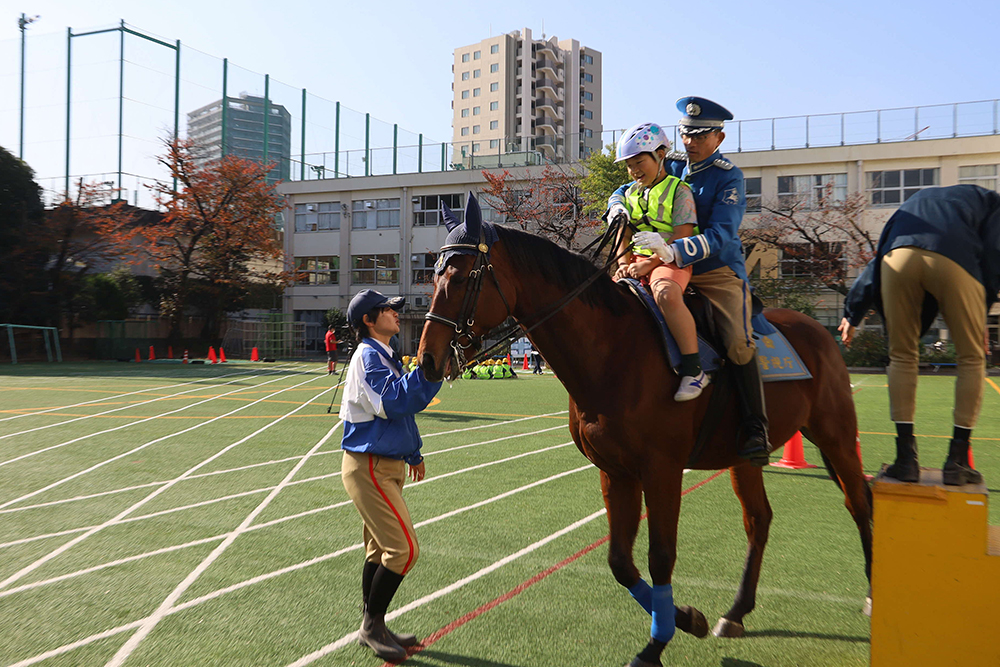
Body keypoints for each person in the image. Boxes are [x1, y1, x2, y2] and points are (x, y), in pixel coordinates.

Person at [608, 97, 770, 465]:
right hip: (651, 262)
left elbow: (723, 234)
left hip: (714, 270)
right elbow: (629, 188)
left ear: (720, 137)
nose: (691, 142)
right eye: (686, 134)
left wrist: (671, 254)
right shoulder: (672, 163)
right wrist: (615, 206)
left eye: (700, 135)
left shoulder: (728, 176)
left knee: (737, 342)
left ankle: (754, 427)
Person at [840, 184, 1000, 486]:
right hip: (955, 258)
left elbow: (878, 259)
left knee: (901, 355)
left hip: (896, 257)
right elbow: (994, 250)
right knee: (971, 358)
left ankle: (905, 460)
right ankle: (957, 461)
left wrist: (852, 312)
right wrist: (984, 302)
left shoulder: (917, 202)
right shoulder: (991, 203)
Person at [339, 288, 443, 660]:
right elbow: (393, 403)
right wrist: (432, 372)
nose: (396, 313)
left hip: (383, 463)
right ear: (369, 320)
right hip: (369, 466)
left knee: (380, 549)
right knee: (404, 550)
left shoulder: (382, 355)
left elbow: (401, 414)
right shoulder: (369, 356)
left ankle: (375, 624)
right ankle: (371, 625)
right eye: (387, 309)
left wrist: (413, 453)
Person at [609, 122, 706, 402]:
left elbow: (681, 237)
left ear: (661, 153)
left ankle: (693, 368)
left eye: (639, 162)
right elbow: (622, 234)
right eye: (629, 165)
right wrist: (623, 264)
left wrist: (647, 265)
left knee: (665, 293)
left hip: (671, 258)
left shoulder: (680, 191)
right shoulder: (628, 194)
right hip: (635, 260)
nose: (634, 170)